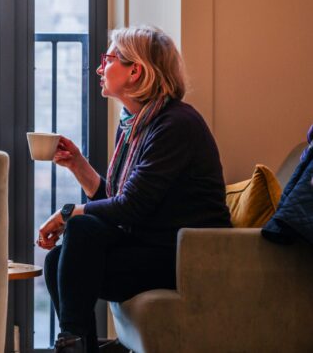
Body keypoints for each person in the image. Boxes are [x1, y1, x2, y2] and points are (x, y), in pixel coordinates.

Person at [38, 25, 231, 353]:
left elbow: (130, 207)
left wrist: (68, 213)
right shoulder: (134, 124)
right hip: (151, 242)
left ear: (135, 71)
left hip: (186, 255)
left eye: (108, 58)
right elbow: (119, 203)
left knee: (81, 227)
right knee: (57, 260)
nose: (100, 68)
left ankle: (69, 346)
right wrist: (77, 165)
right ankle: (78, 345)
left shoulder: (175, 125)